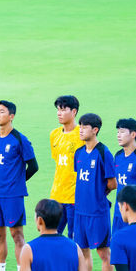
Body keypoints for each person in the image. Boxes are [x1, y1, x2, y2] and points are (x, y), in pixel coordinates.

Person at [0, 100, 38, 271]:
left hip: (13, 195)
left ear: (12, 116)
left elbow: (33, 166)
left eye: (2, 111)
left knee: (17, 235)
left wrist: (17, 181)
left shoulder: (19, 139)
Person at [73, 113, 116, 271]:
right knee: (82, 251)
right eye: (80, 125)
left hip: (97, 212)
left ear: (95, 130)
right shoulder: (79, 153)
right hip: (80, 211)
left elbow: (112, 182)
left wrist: (98, 194)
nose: (80, 129)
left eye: (85, 126)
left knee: (103, 252)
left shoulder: (103, 152)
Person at [48, 95, 82, 238]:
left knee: (74, 239)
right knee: (53, 236)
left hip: (75, 197)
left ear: (74, 112)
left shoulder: (82, 135)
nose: (59, 113)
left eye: (63, 109)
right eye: (58, 109)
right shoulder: (54, 134)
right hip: (57, 196)